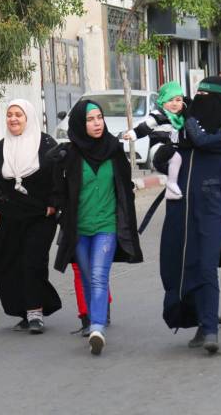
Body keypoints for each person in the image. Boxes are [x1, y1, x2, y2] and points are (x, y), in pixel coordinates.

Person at [52, 100, 143, 355]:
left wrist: (127, 217)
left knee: (98, 276)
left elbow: (125, 186)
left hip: (107, 225)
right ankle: (95, 319)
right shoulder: (70, 155)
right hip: (78, 228)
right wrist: (57, 209)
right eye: (90, 119)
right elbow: (58, 190)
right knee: (86, 276)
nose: (96, 123)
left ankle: (97, 328)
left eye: (99, 118)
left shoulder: (114, 150)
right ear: (80, 124)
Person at [160, 76, 221, 354]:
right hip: (180, 205)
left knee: (206, 265)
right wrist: (164, 153)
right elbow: (166, 156)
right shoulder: (183, 125)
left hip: (212, 205)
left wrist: (190, 123)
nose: (199, 101)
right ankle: (197, 320)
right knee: (182, 263)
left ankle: (210, 329)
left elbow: (203, 141)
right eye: (198, 95)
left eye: (206, 97)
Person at [0, 100, 62, 334]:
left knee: (32, 262)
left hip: (40, 216)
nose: (13, 119)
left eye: (18, 114)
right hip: (11, 216)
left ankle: (35, 312)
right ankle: (24, 310)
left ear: (29, 118)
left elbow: (59, 175)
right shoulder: (0, 148)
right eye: (9, 114)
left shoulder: (46, 145)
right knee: (6, 263)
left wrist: (54, 203)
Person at [123, 81, 187, 200]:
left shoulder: (181, 118)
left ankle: (172, 188)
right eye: (170, 100)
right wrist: (133, 133)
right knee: (176, 157)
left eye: (178, 100)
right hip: (158, 149)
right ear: (162, 101)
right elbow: (144, 127)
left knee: (179, 158)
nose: (174, 103)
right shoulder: (158, 115)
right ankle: (172, 184)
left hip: (172, 150)